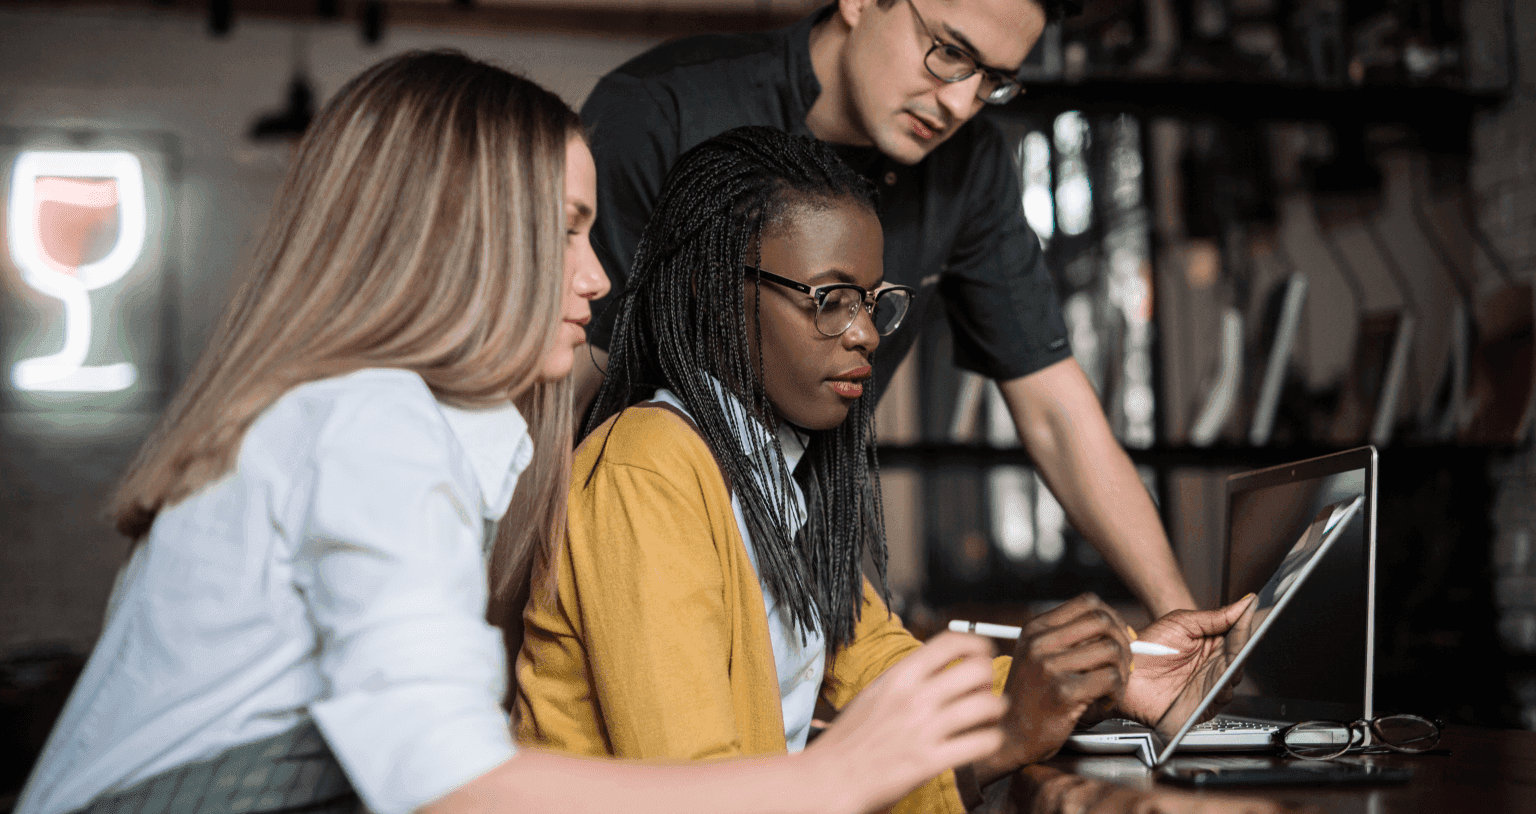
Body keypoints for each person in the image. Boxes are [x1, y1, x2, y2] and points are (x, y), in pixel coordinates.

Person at [14, 52, 1009, 814]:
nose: (599, 276)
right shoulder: (366, 424)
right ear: (465, 235)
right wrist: (827, 779)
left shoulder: (454, 430)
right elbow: (450, 782)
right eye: (568, 229)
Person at [516, 127, 1257, 813]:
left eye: (872, 302)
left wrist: (1107, 680)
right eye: (831, 300)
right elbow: (699, 791)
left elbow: (881, 667)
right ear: (720, 294)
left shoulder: (773, 475)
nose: (866, 332)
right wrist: (1007, 734)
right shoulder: (647, 471)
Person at [572, 0, 1198, 619]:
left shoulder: (970, 164)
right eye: (949, 52)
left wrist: (1179, 620)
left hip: (814, 565)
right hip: (642, 551)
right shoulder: (663, 113)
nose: (961, 101)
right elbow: (580, 386)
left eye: (994, 80)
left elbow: (1054, 408)